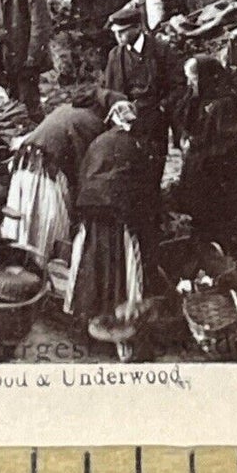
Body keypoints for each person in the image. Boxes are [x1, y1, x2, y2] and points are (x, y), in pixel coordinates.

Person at [66, 101, 154, 358]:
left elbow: (84, 176)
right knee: (122, 271)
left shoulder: (98, 142)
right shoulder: (135, 145)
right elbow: (140, 189)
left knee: (92, 266)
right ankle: (123, 331)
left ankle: (87, 323)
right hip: (119, 219)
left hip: (93, 218)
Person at [1, 90, 109, 263]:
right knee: (47, 220)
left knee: (26, 217)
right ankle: (42, 263)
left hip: (26, 160)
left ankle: (24, 260)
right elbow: (84, 164)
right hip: (46, 169)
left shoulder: (65, 110)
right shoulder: (92, 123)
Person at [172, 55, 237, 257]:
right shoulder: (198, 95)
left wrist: (195, 144)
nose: (191, 83)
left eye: (194, 78)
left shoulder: (225, 102)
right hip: (199, 164)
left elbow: (223, 139)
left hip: (220, 168)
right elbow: (184, 116)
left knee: (223, 215)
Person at [101, 0, 181, 180]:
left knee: (154, 163)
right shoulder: (115, 55)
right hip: (126, 120)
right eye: (115, 33)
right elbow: (108, 87)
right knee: (129, 163)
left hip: (155, 120)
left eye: (122, 32)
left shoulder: (161, 51)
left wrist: (162, 108)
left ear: (137, 28)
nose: (118, 37)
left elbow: (178, 86)